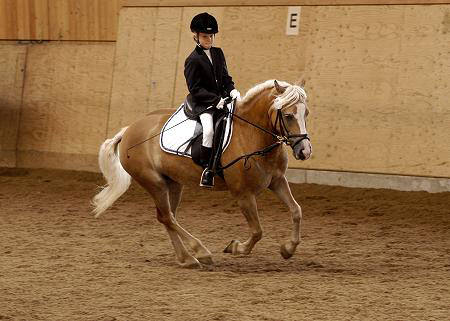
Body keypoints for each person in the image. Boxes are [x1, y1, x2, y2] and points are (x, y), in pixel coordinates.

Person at [184, 12, 241, 188]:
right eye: (204, 36)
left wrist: (232, 91)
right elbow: (195, 89)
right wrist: (215, 100)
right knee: (209, 131)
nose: (208, 39)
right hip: (203, 104)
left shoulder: (218, 53)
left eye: (210, 36)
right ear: (196, 37)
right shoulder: (192, 60)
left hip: (223, 99)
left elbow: (225, 77)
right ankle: (208, 170)